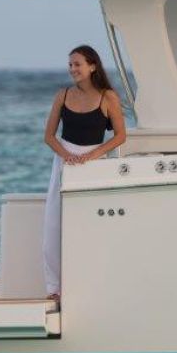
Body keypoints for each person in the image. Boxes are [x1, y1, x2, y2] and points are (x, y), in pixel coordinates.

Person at [42, 45, 127, 302]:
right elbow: (49, 136)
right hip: (64, 163)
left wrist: (92, 156)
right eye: (70, 64)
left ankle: (92, 283)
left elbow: (120, 136)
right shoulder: (63, 95)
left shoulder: (108, 97)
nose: (72, 69)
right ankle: (55, 288)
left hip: (94, 164)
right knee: (54, 225)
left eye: (77, 64)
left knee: (90, 226)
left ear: (92, 66)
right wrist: (65, 155)